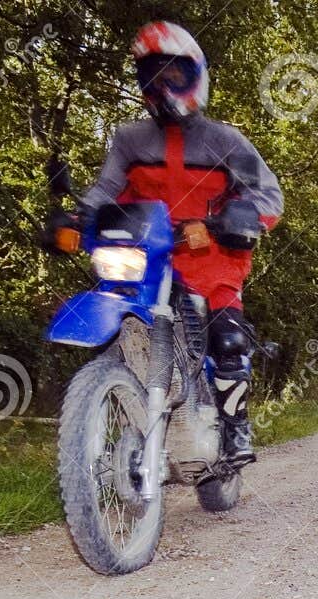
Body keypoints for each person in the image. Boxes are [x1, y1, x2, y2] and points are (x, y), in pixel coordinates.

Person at [76, 20, 284, 467]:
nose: (163, 86)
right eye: (153, 76)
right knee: (114, 318)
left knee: (227, 340)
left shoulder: (226, 140)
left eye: (175, 75)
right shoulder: (129, 140)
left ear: (197, 76)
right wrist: (76, 217)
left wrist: (241, 214)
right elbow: (103, 192)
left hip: (212, 262)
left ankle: (235, 429)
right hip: (144, 259)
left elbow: (269, 194)